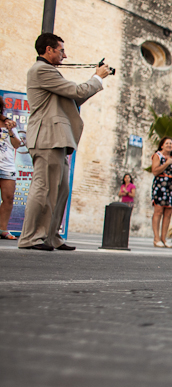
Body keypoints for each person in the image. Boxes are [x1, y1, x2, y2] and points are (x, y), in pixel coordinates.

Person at [18, 33, 109, 251]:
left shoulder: (50, 72)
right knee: (43, 188)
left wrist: (94, 79)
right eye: (61, 50)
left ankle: (50, 236)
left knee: (61, 189)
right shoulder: (41, 70)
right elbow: (77, 91)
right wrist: (97, 78)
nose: (64, 55)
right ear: (48, 50)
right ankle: (30, 237)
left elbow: (75, 97)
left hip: (57, 138)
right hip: (47, 137)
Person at [0, 100, 22, 240]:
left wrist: (11, 132)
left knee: (8, 197)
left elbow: (17, 144)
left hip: (7, 165)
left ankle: (3, 229)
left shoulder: (9, 123)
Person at [151, 137, 172, 247]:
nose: (169, 145)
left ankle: (164, 238)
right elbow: (155, 171)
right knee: (158, 211)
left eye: (171, 143)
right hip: (161, 185)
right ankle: (156, 238)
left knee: (168, 213)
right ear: (162, 145)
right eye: (166, 143)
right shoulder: (158, 156)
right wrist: (166, 164)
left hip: (171, 186)